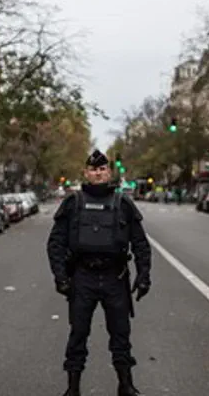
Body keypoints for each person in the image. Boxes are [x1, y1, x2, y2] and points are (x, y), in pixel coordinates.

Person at [47, 149, 152, 396]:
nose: (98, 173)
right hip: (82, 277)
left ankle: (125, 385)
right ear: (86, 172)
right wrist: (60, 276)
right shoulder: (73, 203)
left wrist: (144, 274)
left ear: (109, 172)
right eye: (94, 169)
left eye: (102, 169)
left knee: (121, 335)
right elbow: (56, 243)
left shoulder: (123, 203)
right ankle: (73, 388)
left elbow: (140, 244)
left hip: (115, 278)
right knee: (78, 334)